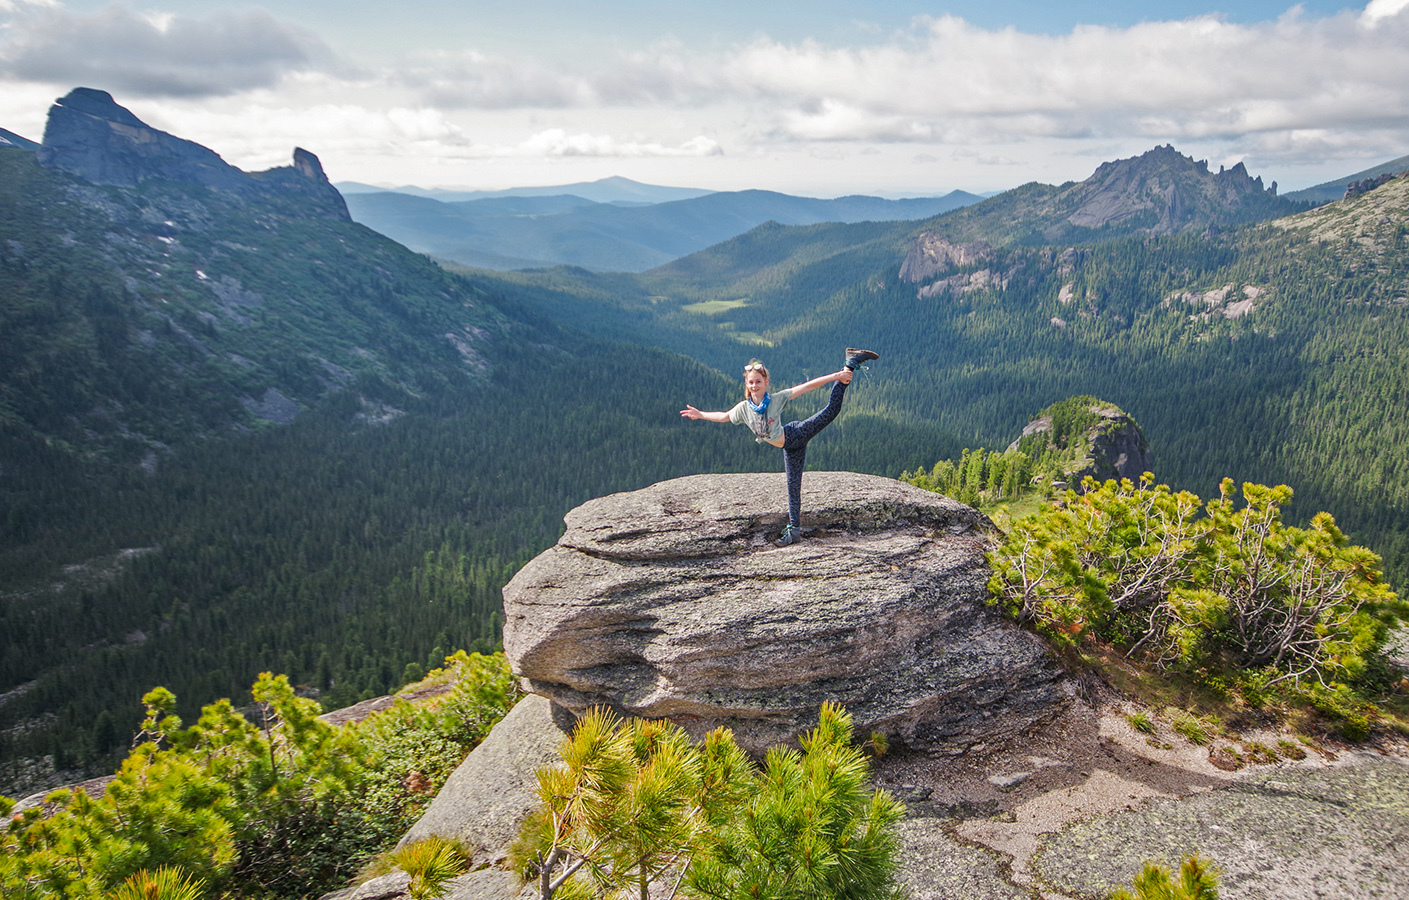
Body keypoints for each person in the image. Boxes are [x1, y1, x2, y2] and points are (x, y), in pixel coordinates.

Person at [681, 348, 880, 545]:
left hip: (796, 434)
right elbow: (723, 416)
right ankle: (794, 532)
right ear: (747, 384)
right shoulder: (743, 409)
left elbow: (807, 387)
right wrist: (701, 414)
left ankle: (850, 364)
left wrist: (837, 376)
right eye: (751, 382)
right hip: (790, 447)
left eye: (758, 381)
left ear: (766, 382)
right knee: (793, 488)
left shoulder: (776, 400)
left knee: (832, 410)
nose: (754, 385)